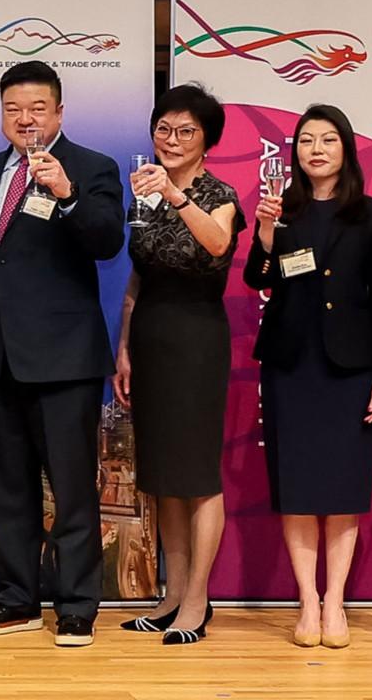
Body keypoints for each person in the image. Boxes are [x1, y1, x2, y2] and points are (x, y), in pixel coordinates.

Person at [0, 62, 125, 648]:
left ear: (58, 113)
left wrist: (66, 194)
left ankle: (77, 606)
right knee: (6, 488)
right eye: (13, 110)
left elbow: (107, 242)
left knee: (73, 488)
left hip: (64, 358)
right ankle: (17, 600)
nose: (24, 119)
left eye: (37, 109)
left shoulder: (91, 168)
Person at [242, 104, 372, 650]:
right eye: (306, 140)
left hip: (351, 369)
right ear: (296, 152)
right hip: (292, 367)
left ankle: (337, 603)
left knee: (343, 490)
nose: (316, 149)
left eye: (327, 140)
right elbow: (258, 279)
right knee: (300, 490)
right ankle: (307, 600)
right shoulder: (282, 210)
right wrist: (264, 233)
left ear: (345, 148)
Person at [113, 82, 242, 645]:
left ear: (206, 140)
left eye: (185, 130)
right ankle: (170, 593)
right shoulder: (141, 192)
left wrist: (175, 195)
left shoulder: (219, 192)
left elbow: (216, 245)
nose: (171, 139)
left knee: (197, 475)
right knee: (163, 475)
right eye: (163, 129)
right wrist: (123, 346)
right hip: (150, 335)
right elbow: (138, 272)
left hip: (197, 338)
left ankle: (197, 600)